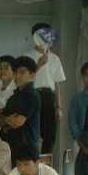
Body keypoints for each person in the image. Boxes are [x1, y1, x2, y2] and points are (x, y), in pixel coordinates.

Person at [25, 23, 66, 155]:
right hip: (31, 95)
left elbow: (57, 84)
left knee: (49, 135)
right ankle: (31, 162)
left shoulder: (55, 58)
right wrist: (38, 65)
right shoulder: (27, 56)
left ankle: (46, 164)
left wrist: (58, 107)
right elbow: (23, 80)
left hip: (48, 97)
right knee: (32, 134)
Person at [1, 56, 41, 164]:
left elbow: (18, 122)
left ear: (32, 75)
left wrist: (8, 120)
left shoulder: (31, 94)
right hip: (12, 144)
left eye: (22, 72)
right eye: (15, 72)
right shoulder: (15, 95)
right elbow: (0, 118)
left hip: (27, 147)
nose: (17, 76)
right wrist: (9, 119)